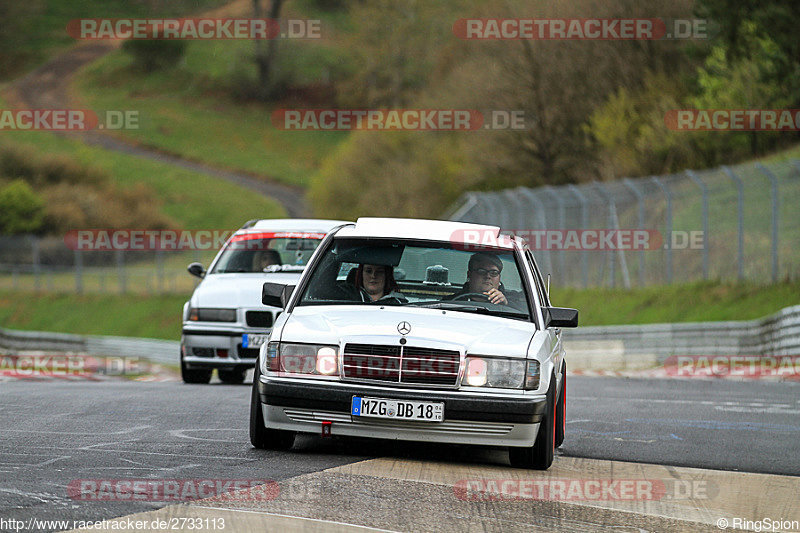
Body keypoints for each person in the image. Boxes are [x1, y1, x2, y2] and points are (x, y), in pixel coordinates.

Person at [449, 251, 523, 308]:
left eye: (494, 273)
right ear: (469, 275)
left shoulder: (515, 301)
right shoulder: (451, 301)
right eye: (481, 271)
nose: (488, 276)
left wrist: (506, 304)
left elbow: (526, 317)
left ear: (499, 277)